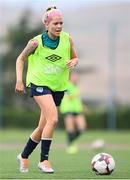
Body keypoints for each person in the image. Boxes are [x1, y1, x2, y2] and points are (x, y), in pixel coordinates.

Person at [15, 5, 78, 173]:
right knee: (54, 119)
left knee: (43, 127)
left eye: (61, 23)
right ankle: (44, 160)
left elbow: (74, 56)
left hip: (57, 87)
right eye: (55, 23)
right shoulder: (35, 42)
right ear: (46, 25)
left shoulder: (67, 39)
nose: (59, 26)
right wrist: (19, 81)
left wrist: (74, 61)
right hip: (39, 84)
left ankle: (24, 155)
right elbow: (20, 59)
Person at [60, 71, 87, 154]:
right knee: (70, 128)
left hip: (77, 110)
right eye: (74, 76)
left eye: (76, 77)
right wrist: (76, 93)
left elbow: (77, 99)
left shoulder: (76, 87)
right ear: (70, 77)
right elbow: (69, 97)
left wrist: (83, 106)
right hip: (68, 109)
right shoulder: (67, 85)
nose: (76, 78)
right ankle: (70, 146)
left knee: (82, 127)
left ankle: (72, 141)